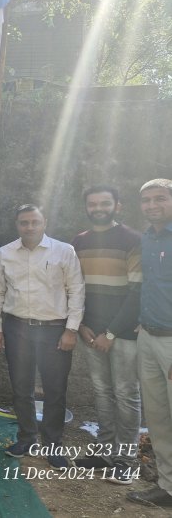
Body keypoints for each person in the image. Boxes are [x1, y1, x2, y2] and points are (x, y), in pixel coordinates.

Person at [0, 204, 84, 469]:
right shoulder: (5, 253)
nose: (29, 227)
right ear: (17, 225)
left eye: (34, 222)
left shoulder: (64, 251)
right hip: (17, 328)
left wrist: (71, 329)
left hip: (55, 329)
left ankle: (53, 445)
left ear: (44, 222)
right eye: (23, 223)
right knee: (21, 388)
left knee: (55, 390)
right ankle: (27, 437)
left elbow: (76, 290)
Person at [71, 186, 142, 483]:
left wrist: (110, 333)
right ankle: (104, 451)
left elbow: (137, 292)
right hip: (90, 332)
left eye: (105, 203)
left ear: (118, 206)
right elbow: (76, 286)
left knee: (126, 394)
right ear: (86, 207)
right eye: (93, 204)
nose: (98, 208)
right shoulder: (79, 242)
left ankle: (127, 459)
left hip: (123, 333)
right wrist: (84, 325)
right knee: (101, 393)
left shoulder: (134, 240)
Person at [127, 179, 172, 508]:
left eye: (160, 199)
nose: (152, 205)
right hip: (149, 337)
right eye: (146, 200)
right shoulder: (148, 238)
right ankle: (167, 487)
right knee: (157, 418)